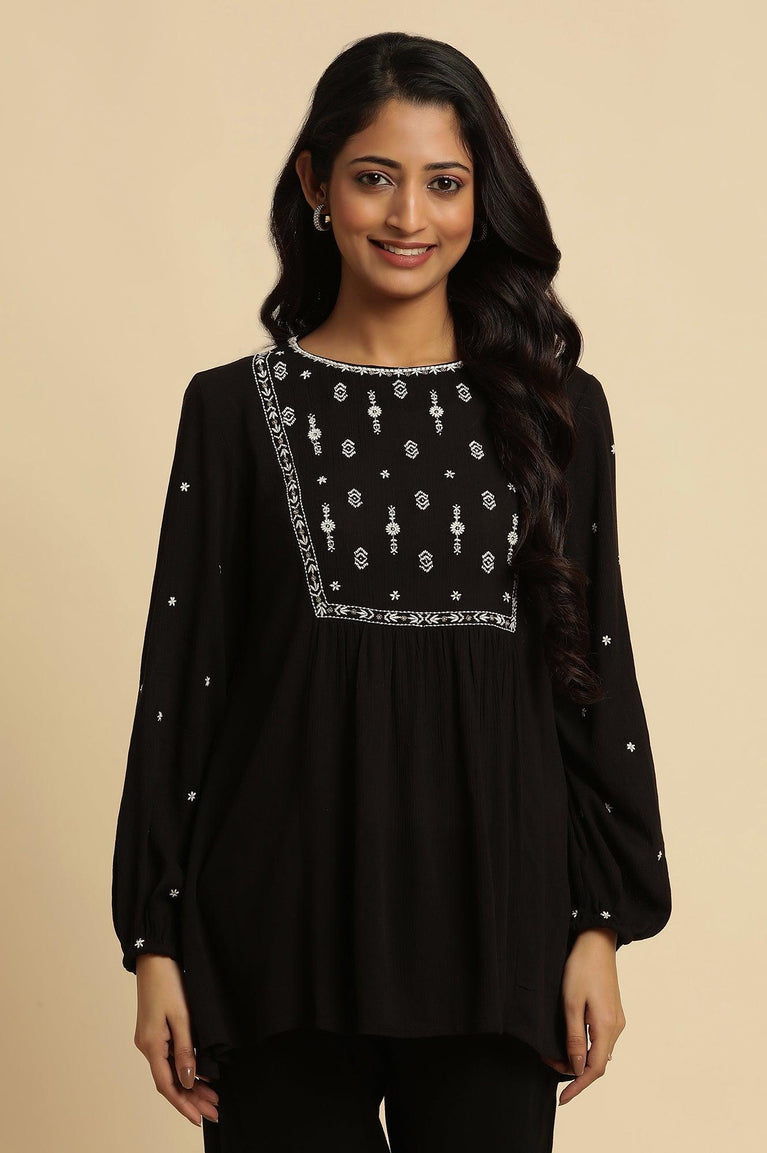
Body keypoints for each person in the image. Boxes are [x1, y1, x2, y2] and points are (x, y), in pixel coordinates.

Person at [111, 30, 672, 1153]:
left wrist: (597, 924)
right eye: (375, 176)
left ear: (480, 197)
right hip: (272, 938)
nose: (409, 215)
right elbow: (185, 681)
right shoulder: (231, 412)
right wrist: (156, 942)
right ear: (316, 185)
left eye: (444, 182)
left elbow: (588, 671)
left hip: (498, 935)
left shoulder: (557, 413)